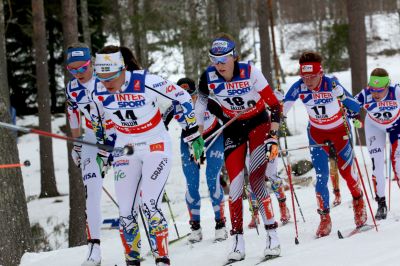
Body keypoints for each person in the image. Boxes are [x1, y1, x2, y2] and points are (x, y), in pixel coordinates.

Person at [92, 45, 204, 266]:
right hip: (126, 148)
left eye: (110, 77)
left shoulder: (146, 82)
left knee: (150, 204)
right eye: (101, 77)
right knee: (125, 212)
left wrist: (192, 132)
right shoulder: (98, 90)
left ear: (123, 69)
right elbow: (101, 122)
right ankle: (132, 260)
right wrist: (103, 152)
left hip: (155, 145)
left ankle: (162, 259)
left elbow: (181, 96)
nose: (106, 83)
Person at [195, 33, 282, 262]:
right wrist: (197, 132)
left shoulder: (250, 72)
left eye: (223, 59)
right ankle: (237, 240)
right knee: (234, 184)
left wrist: (273, 136)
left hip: (258, 124)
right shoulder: (209, 75)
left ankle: (272, 234)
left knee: (255, 179)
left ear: (234, 56)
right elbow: (201, 101)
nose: (219, 64)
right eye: (214, 59)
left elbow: (274, 105)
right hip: (234, 127)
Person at [283, 51, 368, 238]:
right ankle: (325, 218)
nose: (308, 81)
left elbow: (356, 108)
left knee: (347, 174)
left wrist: (343, 97)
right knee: (321, 177)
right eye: (304, 76)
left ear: (320, 73)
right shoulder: (299, 87)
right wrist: (275, 105)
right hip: (316, 134)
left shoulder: (332, 84)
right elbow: (283, 108)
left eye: (312, 76)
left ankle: (358, 203)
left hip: (340, 131)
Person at [65, 43, 115, 266]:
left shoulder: (106, 80)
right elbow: (74, 116)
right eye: (72, 70)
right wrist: (76, 145)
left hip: (118, 136)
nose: (78, 74)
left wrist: (110, 145)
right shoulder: (72, 88)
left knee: (131, 193)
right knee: (92, 192)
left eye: (82, 68)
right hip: (92, 139)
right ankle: (94, 249)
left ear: (91, 63)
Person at [163, 77, 227, 243]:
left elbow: (226, 118)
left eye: (192, 95)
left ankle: (220, 225)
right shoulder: (173, 106)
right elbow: (161, 125)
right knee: (192, 183)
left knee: (212, 179)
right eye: (184, 95)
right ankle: (195, 228)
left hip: (213, 136)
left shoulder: (207, 101)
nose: (190, 99)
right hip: (189, 140)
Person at [354, 68, 400, 220]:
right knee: (377, 166)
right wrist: (355, 117)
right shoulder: (365, 94)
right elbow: (349, 106)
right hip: (374, 127)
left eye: (379, 90)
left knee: (398, 164)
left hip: (396, 126)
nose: (375, 94)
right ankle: (381, 203)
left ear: (387, 86)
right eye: (373, 89)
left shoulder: (396, 91)